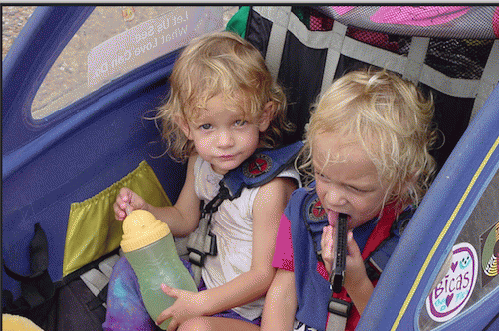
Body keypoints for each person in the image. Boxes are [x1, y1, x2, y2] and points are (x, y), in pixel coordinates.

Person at [102, 31, 300, 331]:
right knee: (127, 270)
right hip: (201, 284)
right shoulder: (200, 162)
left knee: (197, 329)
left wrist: (200, 306)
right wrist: (148, 212)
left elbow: (264, 276)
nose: (224, 141)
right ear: (186, 126)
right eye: (207, 126)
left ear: (264, 115)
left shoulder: (269, 190)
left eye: (239, 122)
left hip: (247, 315)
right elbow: (185, 219)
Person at [260, 68, 438, 331]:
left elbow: (395, 325)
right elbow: (283, 291)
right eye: (323, 175)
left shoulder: (410, 239)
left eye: (355, 189)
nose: (332, 198)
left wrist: (356, 283)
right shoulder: (301, 209)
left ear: (402, 182)